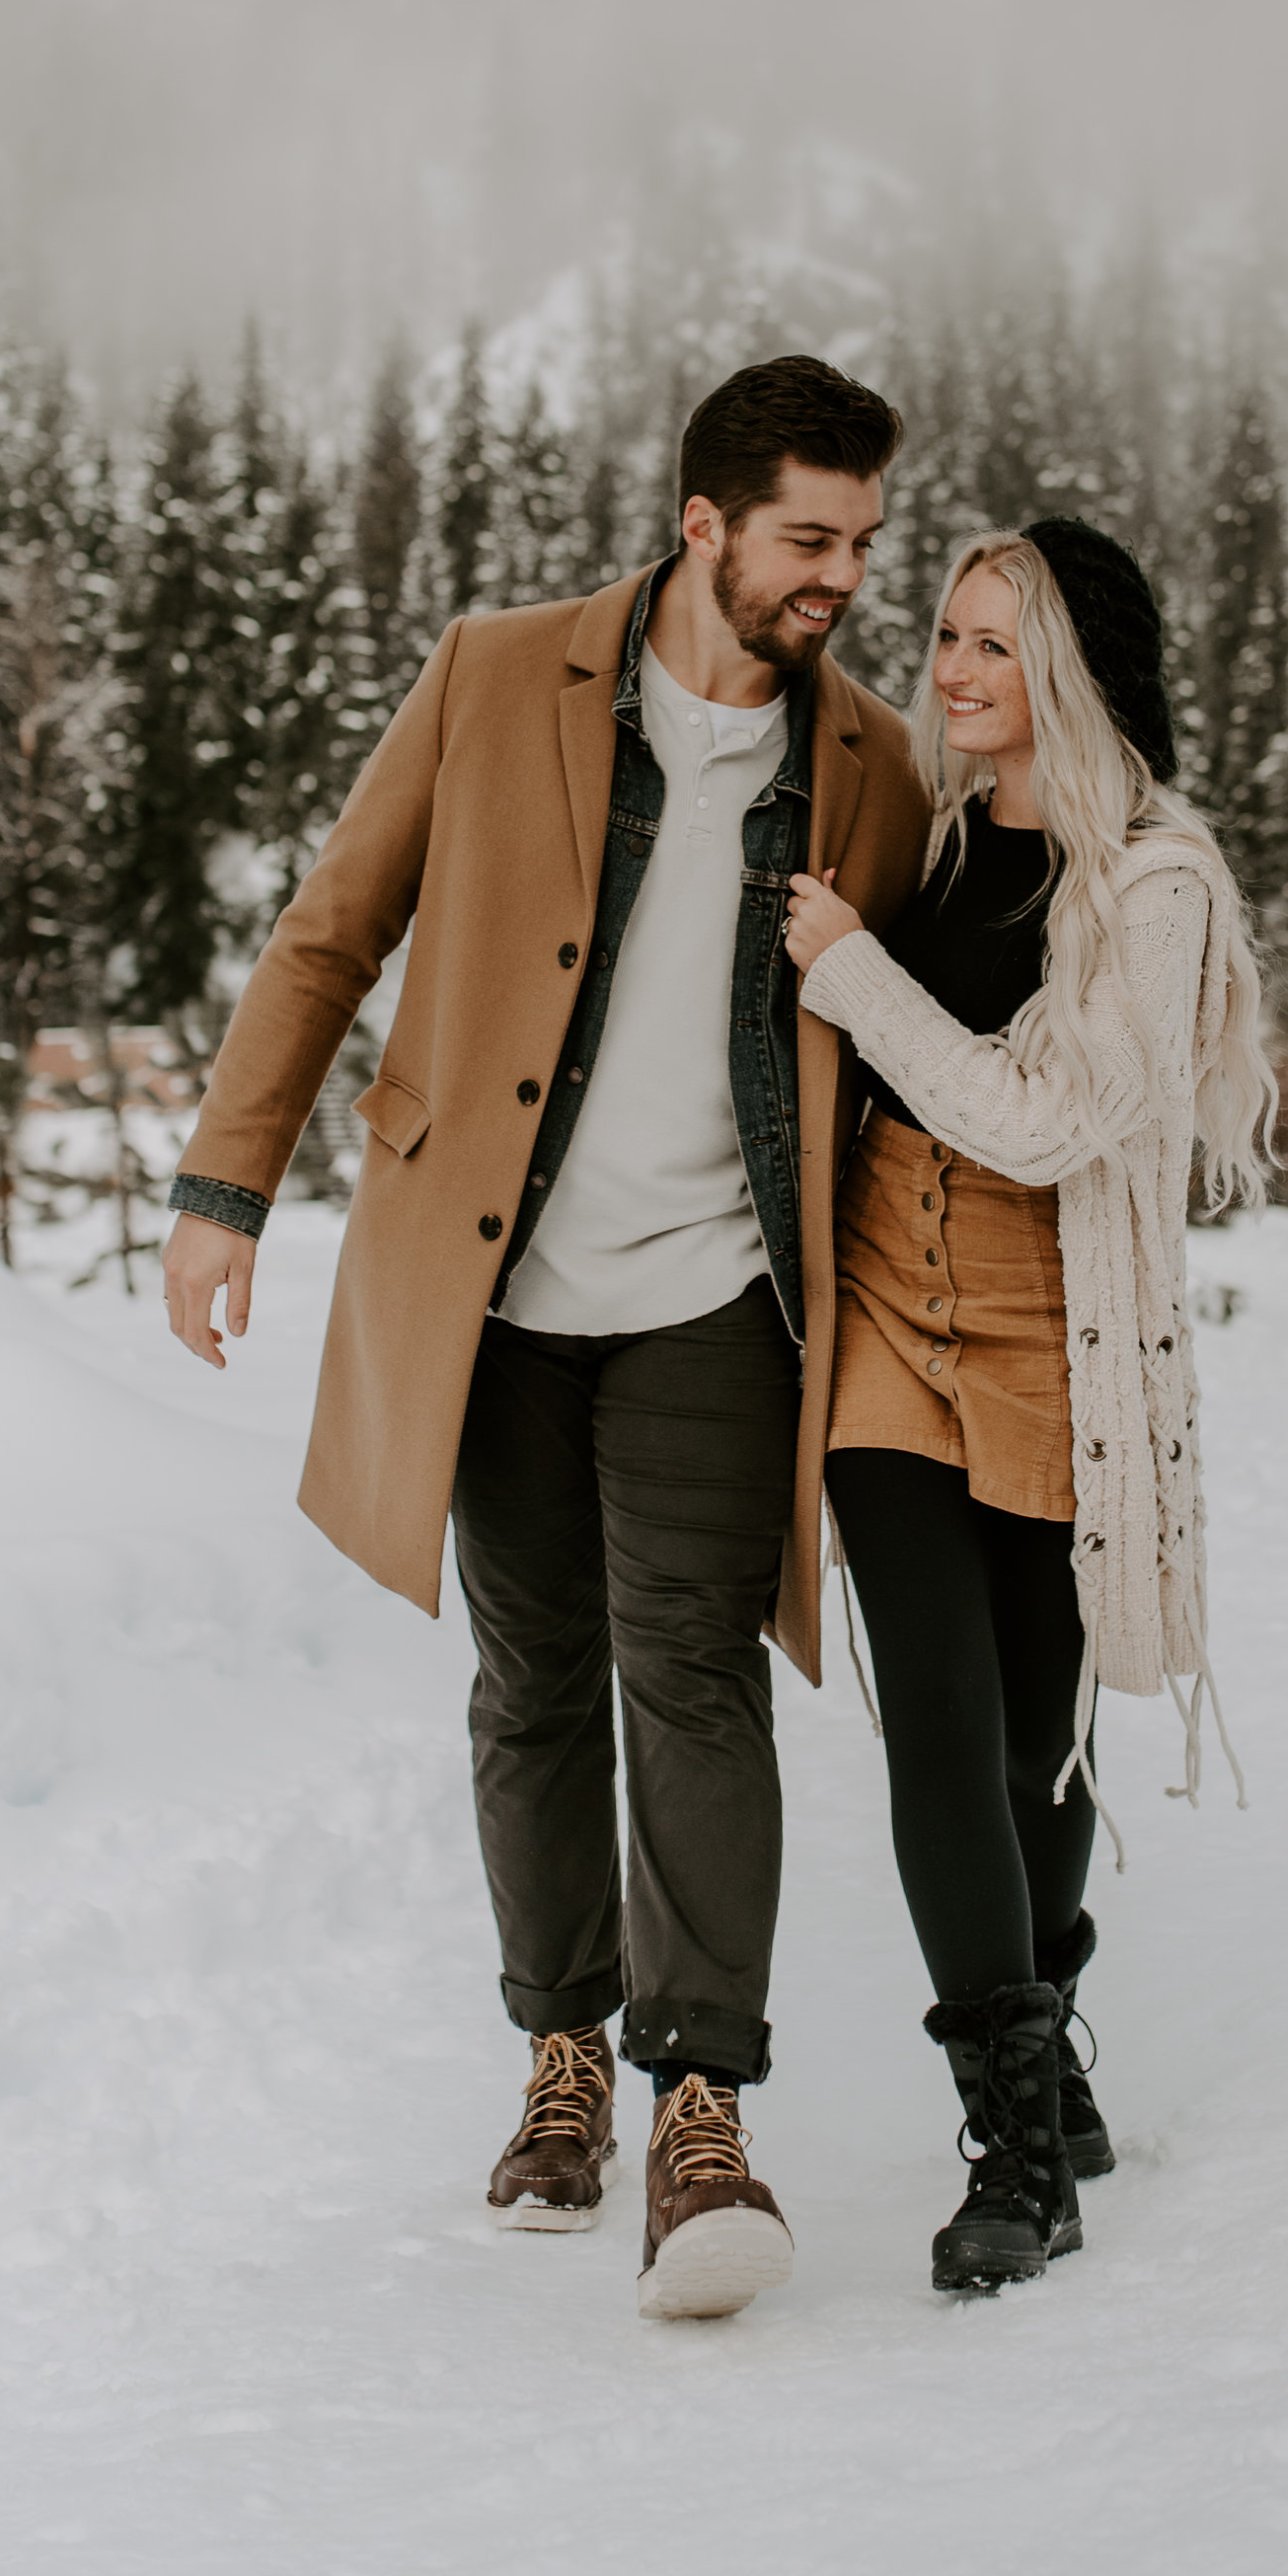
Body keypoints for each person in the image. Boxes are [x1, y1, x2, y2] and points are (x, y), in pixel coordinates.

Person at [163, 356, 929, 2320]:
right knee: (528, 1683)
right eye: (807, 537)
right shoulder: (497, 674)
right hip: (487, 1286)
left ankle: (700, 2109)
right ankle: (559, 2058)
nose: (841, 574)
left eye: (860, 539)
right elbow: (333, 926)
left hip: (708, 1293)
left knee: (690, 1681)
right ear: (703, 524)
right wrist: (220, 1184)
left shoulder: (867, 763)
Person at [783, 514, 1273, 2296]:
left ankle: (1049, 2025)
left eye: (994, 643)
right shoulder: (925, 840)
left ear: (1068, 667)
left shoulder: (1151, 883)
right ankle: (1009, 2129)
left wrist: (850, 970)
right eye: (948, 633)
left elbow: (1051, 1121)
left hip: (1050, 1326)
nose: (952, 666)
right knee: (934, 1722)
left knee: (1028, 1739)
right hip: (885, 1327)